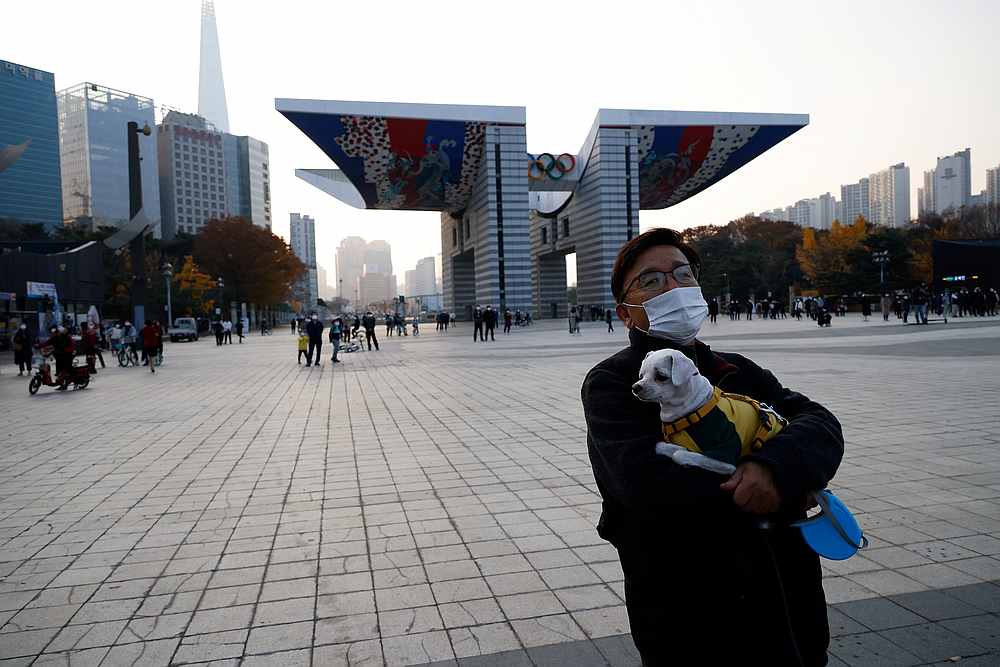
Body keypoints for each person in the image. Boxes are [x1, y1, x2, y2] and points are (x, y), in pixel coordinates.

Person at [582, 228, 843, 665]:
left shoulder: (737, 370)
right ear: (626, 313)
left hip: (787, 591)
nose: (673, 286)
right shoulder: (615, 384)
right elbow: (644, 482)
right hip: (688, 607)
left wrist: (771, 469)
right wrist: (768, 486)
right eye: (651, 280)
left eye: (682, 273)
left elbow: (821, 425)